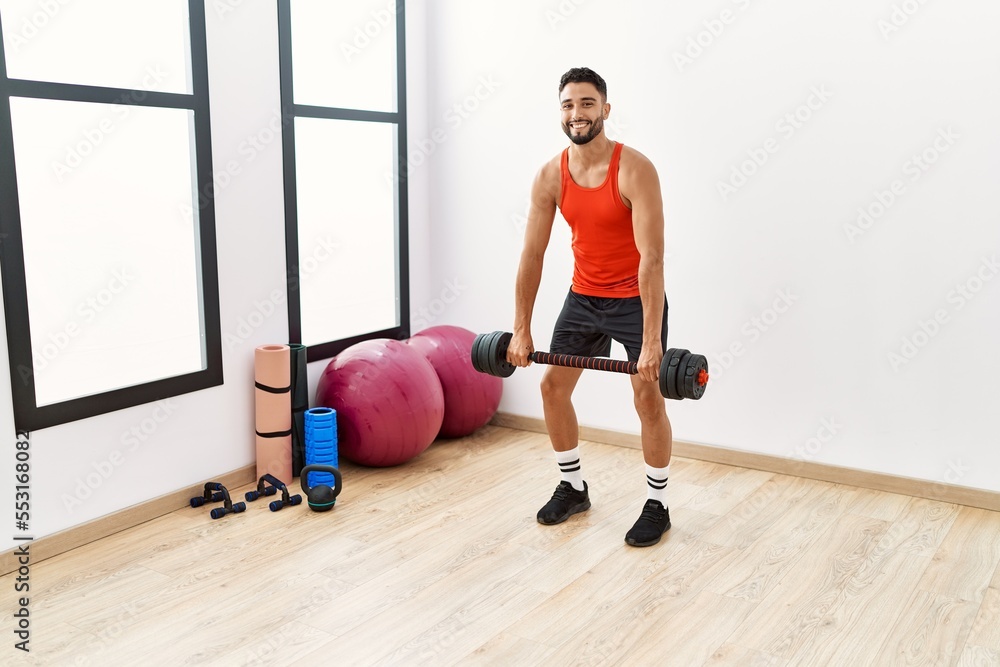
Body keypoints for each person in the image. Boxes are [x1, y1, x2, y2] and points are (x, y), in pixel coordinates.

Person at [507, 67, 672, 547]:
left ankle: (657, 503)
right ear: (560, 112)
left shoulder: (634, 169)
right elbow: (532, 255)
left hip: (636, 299)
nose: (576, 113)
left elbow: (652, 259)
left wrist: (652, 341)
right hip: (584, 296)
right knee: (552, 388)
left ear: (605, 109)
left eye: (586, 103)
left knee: (647, 396)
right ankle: (574, 487)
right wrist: (521, 329)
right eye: (568, 104)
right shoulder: (550, 176)